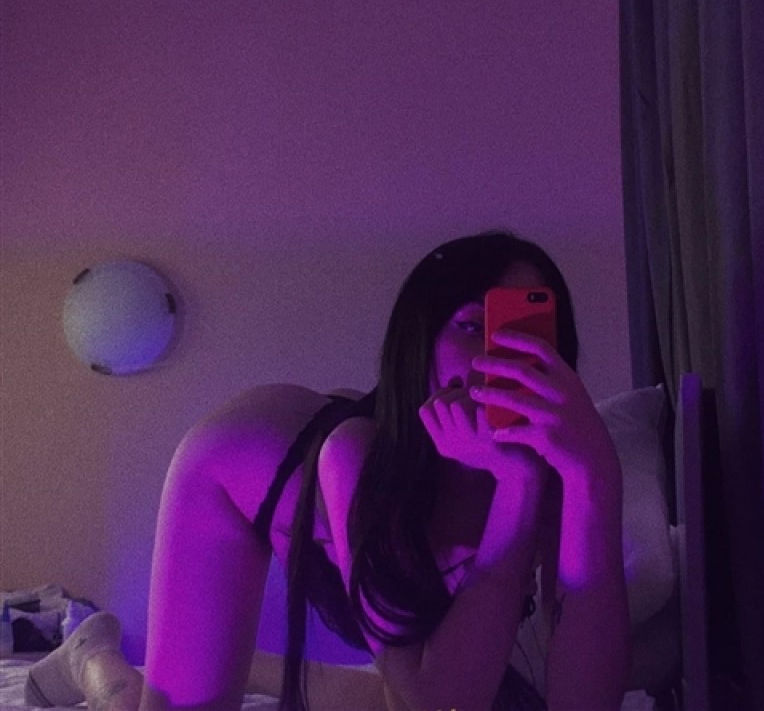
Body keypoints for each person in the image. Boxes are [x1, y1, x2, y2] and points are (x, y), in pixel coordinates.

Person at [25, 231, 630, 710]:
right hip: (248, 473)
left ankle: (243, 662)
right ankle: (95, 659)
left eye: (525, 331)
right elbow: (439, 702)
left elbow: (584, 702)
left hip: (383, 541)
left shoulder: (563, 463)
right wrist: (518, 486)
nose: (497, 357)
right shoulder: (351, 455)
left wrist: (594, 473)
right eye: (473, 326)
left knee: (408, 689)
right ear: (419, 341)